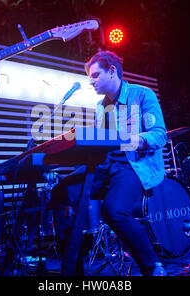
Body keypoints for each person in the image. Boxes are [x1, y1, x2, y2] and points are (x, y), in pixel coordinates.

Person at [51, 50, 168, 276]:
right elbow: (102, 143)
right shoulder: (100, 106)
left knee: (113, 210)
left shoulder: (142, 94)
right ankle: (73, 273)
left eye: (95, 75)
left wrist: (132, 140)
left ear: (112, 71)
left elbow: (160, 135)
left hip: (133, 165)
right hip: (105, 165)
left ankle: (153, 267)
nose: (91, 81)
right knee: (60, 193)